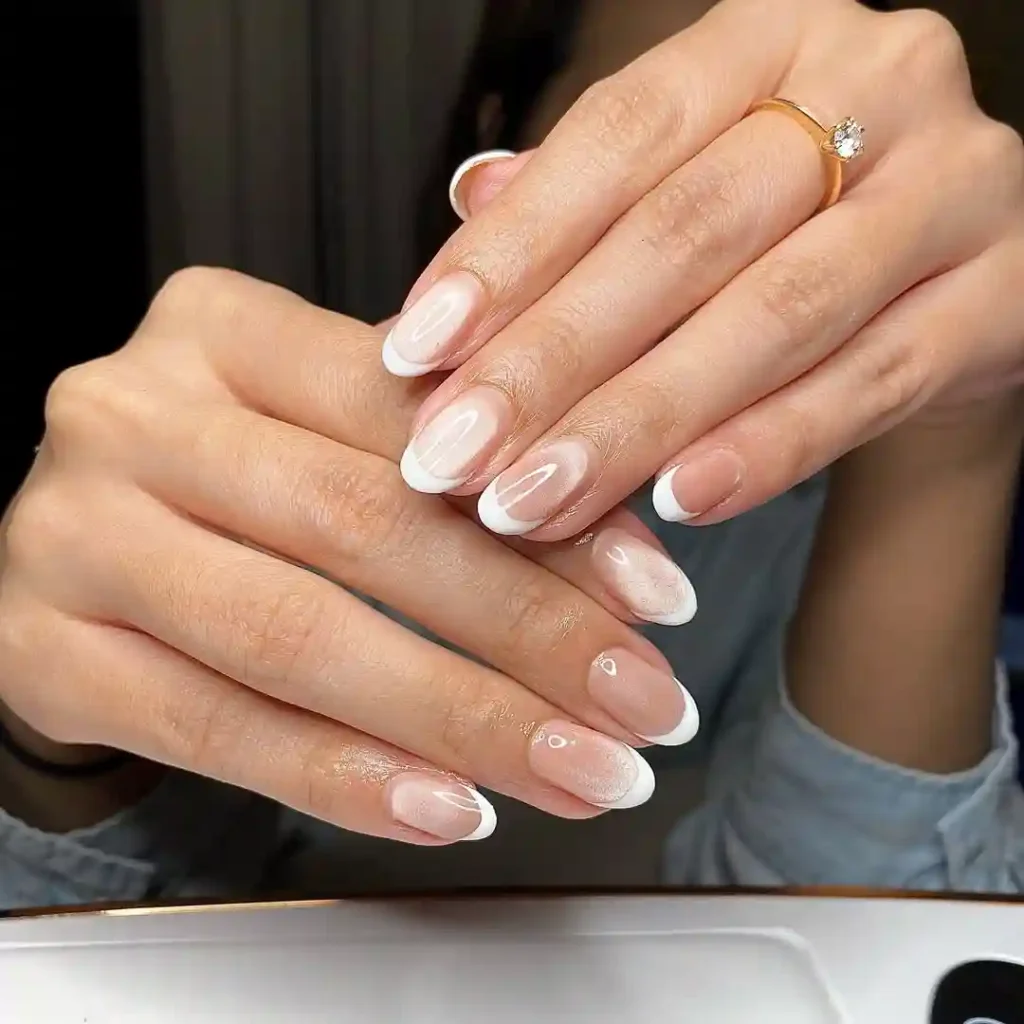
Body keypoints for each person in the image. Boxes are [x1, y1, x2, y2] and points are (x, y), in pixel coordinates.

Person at [1, 0, 1023, 908]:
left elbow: (869, 930)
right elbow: (110, 912)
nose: (718, 211)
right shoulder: (248, 442)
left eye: (780, 179)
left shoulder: (797, 535)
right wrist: (53, 733)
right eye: (659, 129)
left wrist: (951, 418)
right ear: (499, 138)